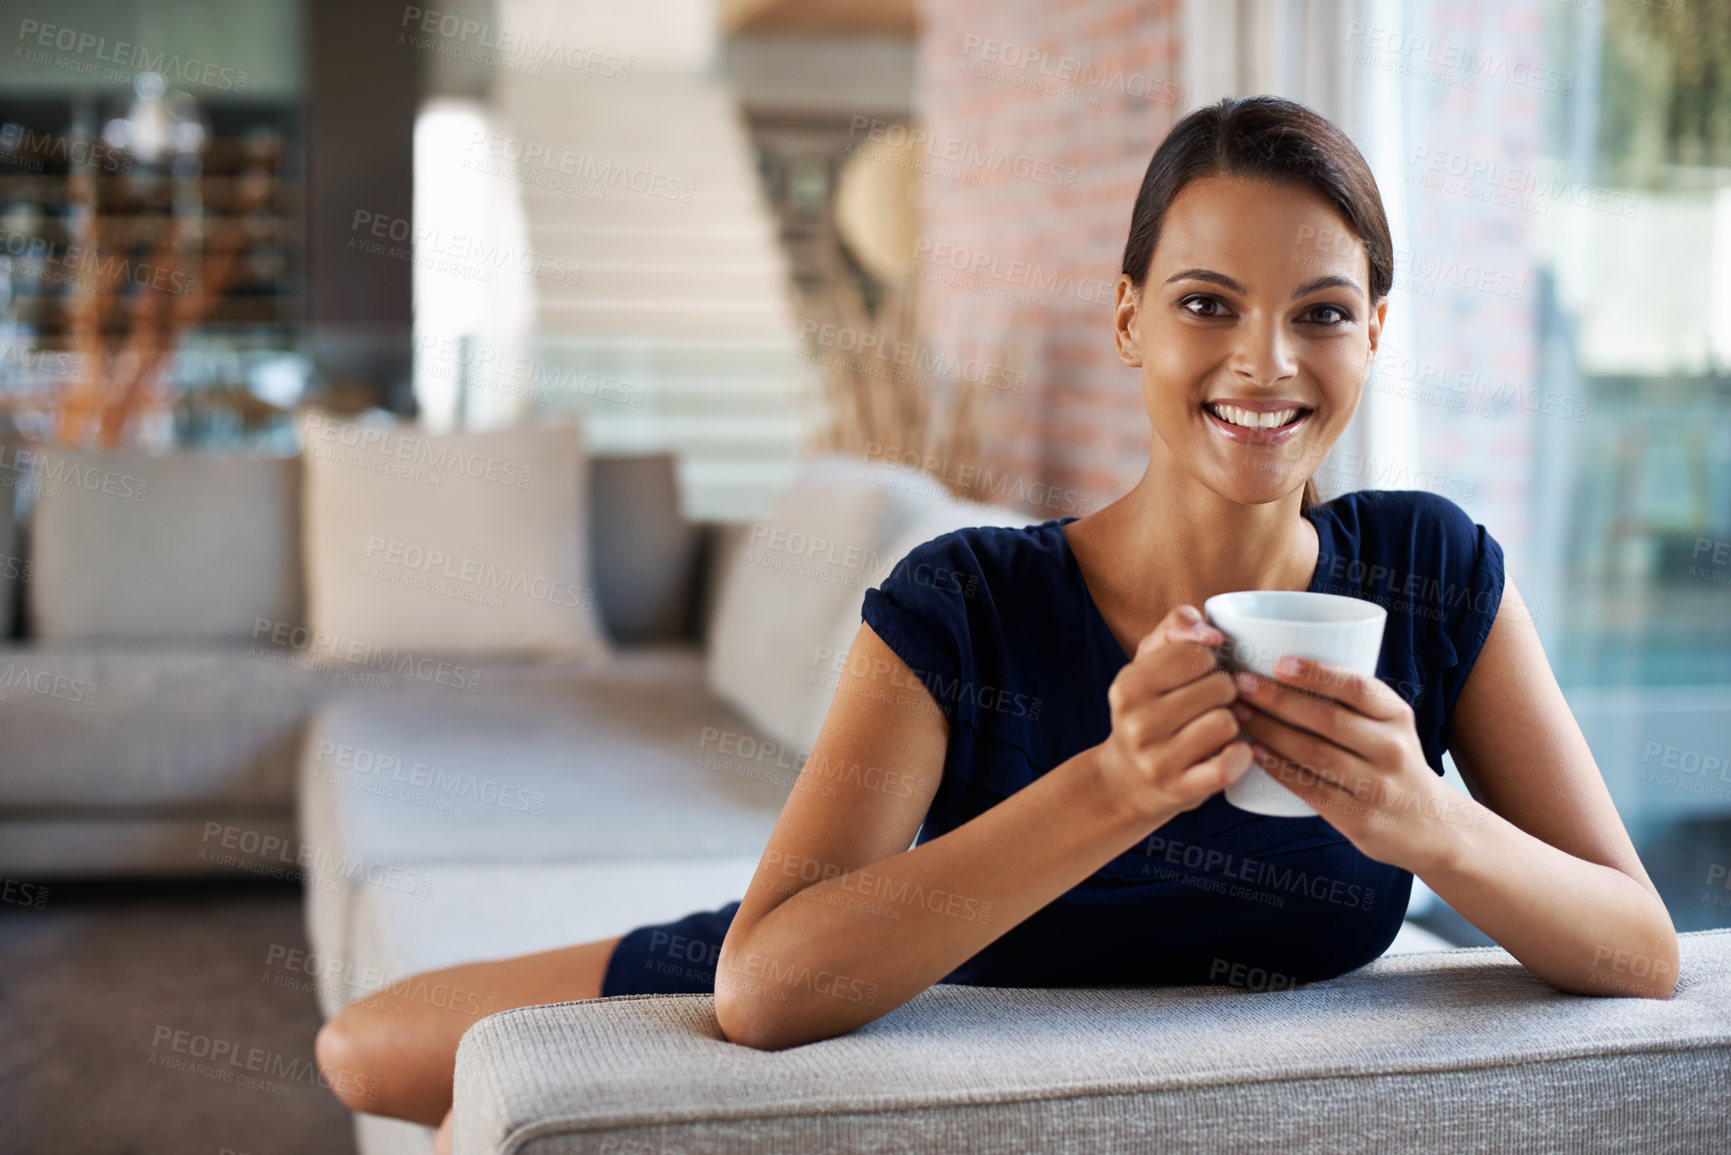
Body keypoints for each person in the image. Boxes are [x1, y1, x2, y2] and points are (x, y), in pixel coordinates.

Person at [314, 94, 1680, 1151]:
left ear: (1375, 334)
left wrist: (1425, 824)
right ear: (1133, 320)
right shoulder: (966, 599)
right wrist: (1116, 785)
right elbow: (770, 986)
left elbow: (1638, 945)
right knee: (370, 1055)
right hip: (885, 954)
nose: (1267, 363)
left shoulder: (1431, 575)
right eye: (1210, 305)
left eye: (1321, 314)